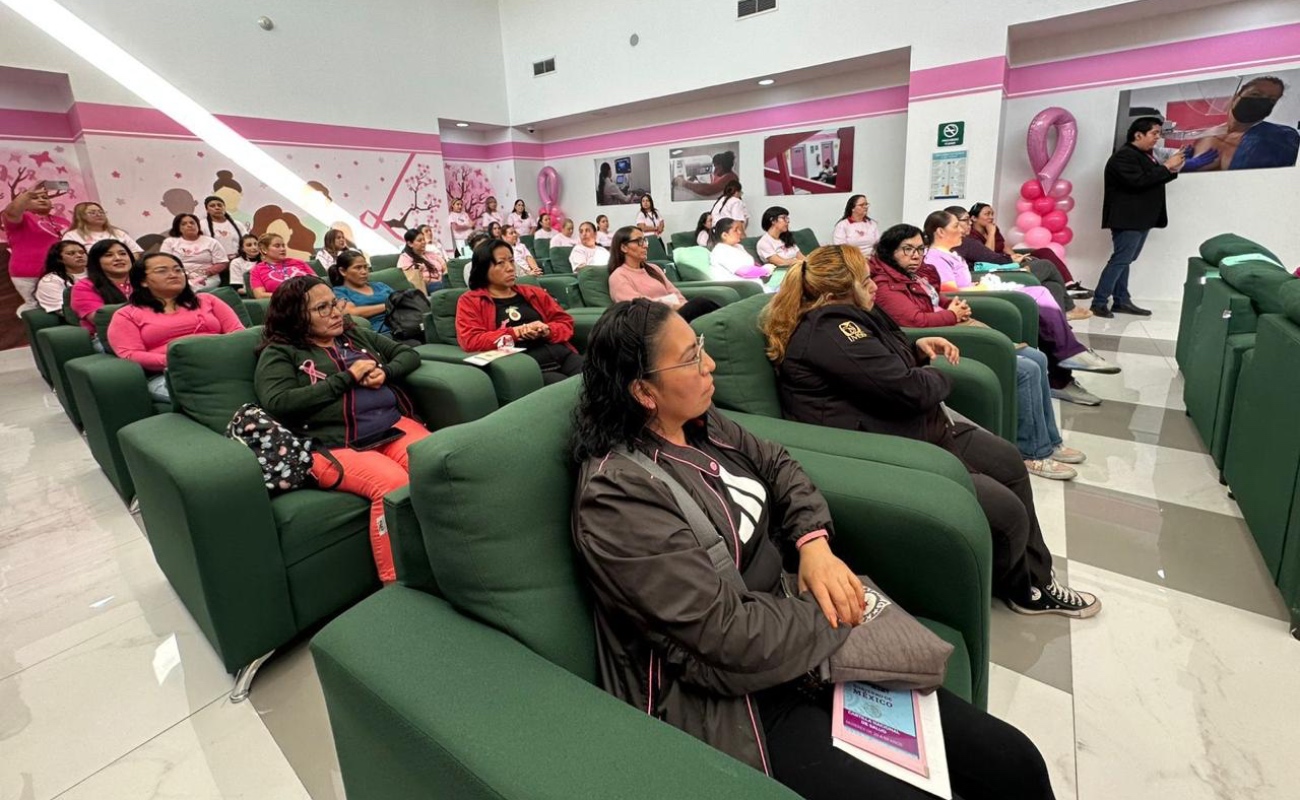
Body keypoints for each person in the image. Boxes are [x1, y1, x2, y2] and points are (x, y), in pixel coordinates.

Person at [573, 297, 1058, 797]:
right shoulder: (618, 497)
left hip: (799, 638)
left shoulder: (703, 423)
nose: (709, 363)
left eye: (701, 346)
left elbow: (780, 466)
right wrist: (837, 615)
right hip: (740, 698)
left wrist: (814, 547)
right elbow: (724, 636)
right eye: (691, 358)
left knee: (1015, 761)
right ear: (643, 391)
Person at [763, 244, 1101, 619]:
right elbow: (905, 388)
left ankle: (1035, 581)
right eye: (865, 279)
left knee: (1007, 459)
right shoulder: (832, 331)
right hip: (892, 445)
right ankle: (1020, 584)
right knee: (1007, 514)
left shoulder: (851, 317)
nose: (874, 284)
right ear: (837, 291)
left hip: (915, 425)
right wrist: (938, 376)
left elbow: (880, 365)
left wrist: (917, 351)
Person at [873, 219, 1085, 479]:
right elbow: (914, 321)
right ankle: (1032, 452)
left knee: (1037, 358)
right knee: (1026, 369)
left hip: (950, 325)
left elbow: (936, 299)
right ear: (889, 251)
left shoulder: (914, 275)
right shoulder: (885, 284)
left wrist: (955, 305)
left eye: (919, 249)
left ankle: (1050, 441)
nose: (915, 256)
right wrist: (952, 316)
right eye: (908, 250)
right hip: (939, 335)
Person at [255, 275, 430, 582]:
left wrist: (384, 373)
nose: (335, 312)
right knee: (394, 484)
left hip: (390, 425)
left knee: (436, 465)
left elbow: (408, 354)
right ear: (296, 315)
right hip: (332, 444)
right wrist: (346, 378)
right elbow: (278, 402)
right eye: (322, 308)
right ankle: (398, 582)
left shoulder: (353, 335)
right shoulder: (281, 352)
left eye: (334, 303)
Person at [921, 214, 1118, 407]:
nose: (963, 230)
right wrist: (980, 287)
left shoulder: (952, 253)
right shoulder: (935, 257)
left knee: (1050, 290)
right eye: (957, 226)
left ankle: (1064, 364)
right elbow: (947, 289)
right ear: (940, 231)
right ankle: (1068, 354)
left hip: (978, 288)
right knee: (1040, 296)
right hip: (972, 298)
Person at [107, 251, 245, 402]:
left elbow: (238, 333)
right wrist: (181, 360)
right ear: (143, 281)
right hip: (171, 373)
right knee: (217, 395)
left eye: (178, 269)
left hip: (223, 362)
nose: (173, 274)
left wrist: (219, 356)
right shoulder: (126, 314)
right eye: (162, 271)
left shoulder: (207, 300)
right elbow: (131, 354)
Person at [455, 237, 582, 383]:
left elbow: (565, 322)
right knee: (570, 388)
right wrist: (517, 332)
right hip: (525, 365)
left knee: (600, 379)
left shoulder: (534, 292)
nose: (510, 268)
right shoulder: (470, 300)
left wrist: (547, 330)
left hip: (559, 353)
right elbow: (471, 340)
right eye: (501, 263)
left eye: (511, 261)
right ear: (484, 268)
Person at [1095, 116, 1184, 318]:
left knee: (1126, 260)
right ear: (1138, 134)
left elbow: (1151, 179)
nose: (1157, 138)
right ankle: (1099, 302)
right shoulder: (1124, 156)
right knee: (1121, 260)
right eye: (1154, 134)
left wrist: (1171, 169)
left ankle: (1121, 300)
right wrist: (1166, 166)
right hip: (1128, 218)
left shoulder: (1144, 155)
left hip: (1140, 218)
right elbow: (1137, 182)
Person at [956, 205, 1088, 320]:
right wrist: (1012, 260)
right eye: (966, 220)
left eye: (992, 214)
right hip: (988, 273)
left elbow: (1003, 247)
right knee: (1046, 265)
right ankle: (1069, 307)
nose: (969, 224)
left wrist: (1013, 255)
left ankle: (1061, 322)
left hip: (998, 264)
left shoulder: (973, 236)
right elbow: (990, 257)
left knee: (1053, 286)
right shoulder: (966, 241)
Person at [1185, 76, 1299, 172]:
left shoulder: (1280, 138)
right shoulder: (1206, 136)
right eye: (1256, 94)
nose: (1261, 102)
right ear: (1237, 95)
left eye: (1271, 99)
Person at [607, 226, 719, 322]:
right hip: (653, 321)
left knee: (704, 311)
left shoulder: (653, 268)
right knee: (700, 303)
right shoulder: (618, 276)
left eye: (645, 241)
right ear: (623, 247)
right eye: (639, 241)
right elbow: (636, 305)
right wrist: (672, 305)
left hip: (673, 314)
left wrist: (684, 306)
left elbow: (674, 292)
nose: (645, 245)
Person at [3, 184, 70, 315]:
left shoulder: (63, 221)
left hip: (62, 271)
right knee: (40, 311)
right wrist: (28, 193)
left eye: (45, 197)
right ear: (24, 204)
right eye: (35, 198)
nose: (41, 199)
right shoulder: (22, 218)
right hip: (29, 273)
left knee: (69, 305)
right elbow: (11, 212)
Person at [70, 240, 133, 344]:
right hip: (107, 337)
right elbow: (101, 319)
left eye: (123, 254)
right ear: (96, 262)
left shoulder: (146, 281)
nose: (118, 258)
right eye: (108, 255)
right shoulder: (84, 287)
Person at [331, 250, 397, 336]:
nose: (364, 272)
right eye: (358, 268)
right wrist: (388, 305)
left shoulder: (380, 285)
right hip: (381, 333)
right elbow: (351, 312)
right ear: (343, 271)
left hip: (404, 323)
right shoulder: (339, 292)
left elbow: (402, 299)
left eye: (365, 267)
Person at [161, 212, 229, 290]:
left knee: (190, 288)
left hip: (207, 277)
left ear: (198, 225)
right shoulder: (170, 242)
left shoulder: (211, 242)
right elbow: (164, 262)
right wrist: (182, 275)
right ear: (178, 228)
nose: (189, 225)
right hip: (178, 276)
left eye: (192, 223)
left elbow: (222, 262)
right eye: (184, 224)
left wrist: (202, 273)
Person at [248, 233, 315, 298]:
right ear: (264, 249)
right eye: (277, 246)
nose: (282, 249)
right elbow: (260, 295)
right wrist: (289, 296)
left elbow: (317, 282)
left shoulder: (298, 262)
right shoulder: (257, 270)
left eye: (283, 246)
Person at [61, 202, 143, 254]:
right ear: (80, 216)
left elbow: (136, 252)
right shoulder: (72, 236)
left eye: (101, 212)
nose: (98, 214)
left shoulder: (118, 233)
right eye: (92, 213)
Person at [709, 219, 772, 283]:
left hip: (754, 284)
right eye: (735, 230)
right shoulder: (720, 251)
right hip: (739, 288)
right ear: (724, 235)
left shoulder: (738, 247)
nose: (739, 232)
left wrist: (763, 269)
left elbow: (752, 264)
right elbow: (744, 272)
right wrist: (765, 270)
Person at [35, 241, 88, 313]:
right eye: (71, 253)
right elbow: (64, 311)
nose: (79, 255)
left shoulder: (98, 272)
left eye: (82, 252)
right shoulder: (50, 281)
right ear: (59, 259)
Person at [672, 150, 738, 198]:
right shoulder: (723, 175)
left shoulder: (730, 177)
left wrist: (684, 183)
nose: (714, 171)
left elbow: (708, 190)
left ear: (722, 166)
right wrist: (695, 181)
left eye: (716, 167)